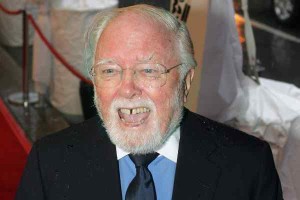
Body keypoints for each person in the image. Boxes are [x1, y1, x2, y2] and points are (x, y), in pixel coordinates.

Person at [16, 4, 283, 200]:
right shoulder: (49, 163)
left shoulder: (248, 168)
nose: (128, 89)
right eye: (110, 71)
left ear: (186, 81)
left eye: (149, 70)